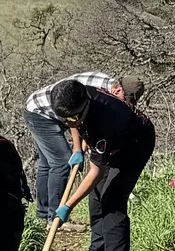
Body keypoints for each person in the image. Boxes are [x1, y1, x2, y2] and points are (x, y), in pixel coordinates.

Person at [48, 76, 156, 251]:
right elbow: (74, 123)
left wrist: (67, 205)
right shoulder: (77, 94)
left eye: (71, 117)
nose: (68, 122)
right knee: (96, 198)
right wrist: (77, 149)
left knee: (111, 203)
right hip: (111, 142)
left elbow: (95, 173)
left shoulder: (107, 121)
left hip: (134, 145)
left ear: (83, 109)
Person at [22, 69, 121, 222]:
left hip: (47, 108)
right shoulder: (92, 91)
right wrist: (76, 148)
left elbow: (76, 117)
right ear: (118, 90)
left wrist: (82, 142)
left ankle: (42, 216)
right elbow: (72, 116)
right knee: (60, 162)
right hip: (40, 113)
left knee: (47, 163)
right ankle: (54, 217)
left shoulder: (103, 90)